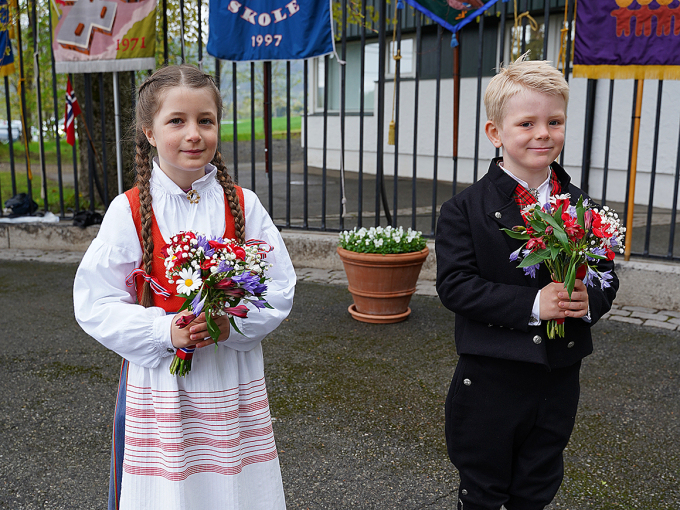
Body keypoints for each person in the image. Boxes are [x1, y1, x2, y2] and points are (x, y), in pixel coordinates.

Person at [73, 64, 296, 510]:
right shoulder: (130, 210)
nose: (194, 133)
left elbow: (278, 285)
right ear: (150, 132)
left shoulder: (244, 205)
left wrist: (231, 324)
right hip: (164, 386)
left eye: (205, 120)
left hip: (230, 378)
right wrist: (164, 332)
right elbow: (95, 301)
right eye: (177, 121)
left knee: (233, 483)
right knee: (173, 490)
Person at [435, 56, 618, 510]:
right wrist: (534, 304)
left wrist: (587, 300)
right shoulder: (464, 209)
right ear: (495, 133)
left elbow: (607, 275)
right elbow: (456, 285)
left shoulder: (581, 205)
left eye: (554, 121)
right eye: (527, 123)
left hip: (559, 374)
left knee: (537, 485)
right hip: (492, 377)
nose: (543, 133)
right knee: (483, 489)